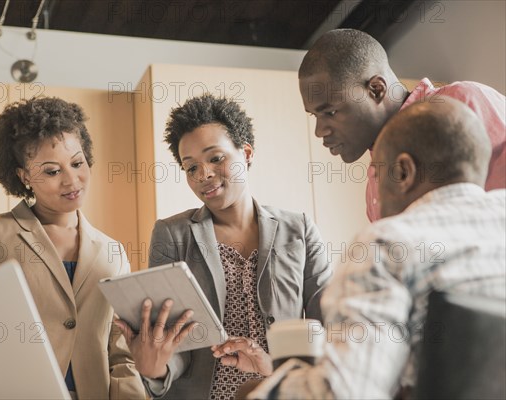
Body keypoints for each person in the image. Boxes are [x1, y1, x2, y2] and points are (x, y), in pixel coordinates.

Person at [243, 97, 506, 399]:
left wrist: (263, 392)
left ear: (404, 172)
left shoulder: (386, 243)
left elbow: (346, 394)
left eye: (378, 176)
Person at [114, 94, 332, 400]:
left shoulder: (300, 230)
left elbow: (329, 328)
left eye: (216, 158)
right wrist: (155, 369)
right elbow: (171, 338)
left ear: (246, 153)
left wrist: (273, 368)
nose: (204, 175)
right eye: (191, 168)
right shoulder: (171, 234)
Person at [0, 97, 146, 400]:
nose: (72, 180)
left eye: (78, 163)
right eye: (52, 171)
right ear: (24, 176)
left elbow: (121, 351)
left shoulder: (113, 252)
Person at [298, 28, 505, 222]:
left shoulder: (461, 101)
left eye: (330, 112)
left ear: (376, 89)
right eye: (314, 115)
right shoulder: (375, 188)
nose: (320, 131)